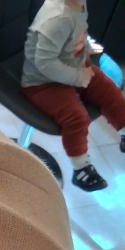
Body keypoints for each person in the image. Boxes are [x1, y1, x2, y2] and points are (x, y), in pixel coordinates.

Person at [20, 0, 125, 192]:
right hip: (44, 82)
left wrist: (85, 48)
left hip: (76, 65)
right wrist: (77, 76)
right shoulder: (54, 18)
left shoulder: (78, 5)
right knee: (76, 117)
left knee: (110, 92)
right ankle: (81, 168)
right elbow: (44, 63)